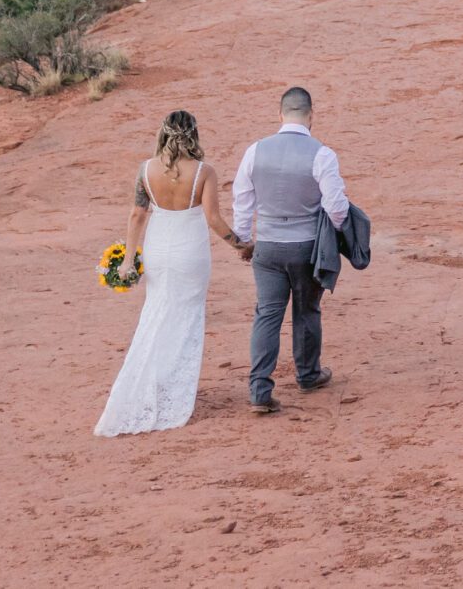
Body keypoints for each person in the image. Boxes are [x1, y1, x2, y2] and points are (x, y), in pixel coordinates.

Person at [94, 110, 247, 436]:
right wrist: (241, 245)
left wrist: (128, 258)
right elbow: (214, 220)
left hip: (158, 250)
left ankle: (150, 382)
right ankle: (172, 388)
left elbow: (138, 213)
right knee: (185, 318)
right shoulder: (204, 172)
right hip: (190, 253)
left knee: (156, 313)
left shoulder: (145, 170)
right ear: (194, 134)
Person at [231, 85, 350, 415]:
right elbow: (337, 206)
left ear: (280, 114)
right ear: (311, 115)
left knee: (267, 315)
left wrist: (244, 240)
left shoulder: (256, 150)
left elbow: (242, 200)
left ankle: (259, 390)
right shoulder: (322, 153)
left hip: (267, 247)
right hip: (306, 247)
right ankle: (308, 374)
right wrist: (337, 233)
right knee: (307, 310)